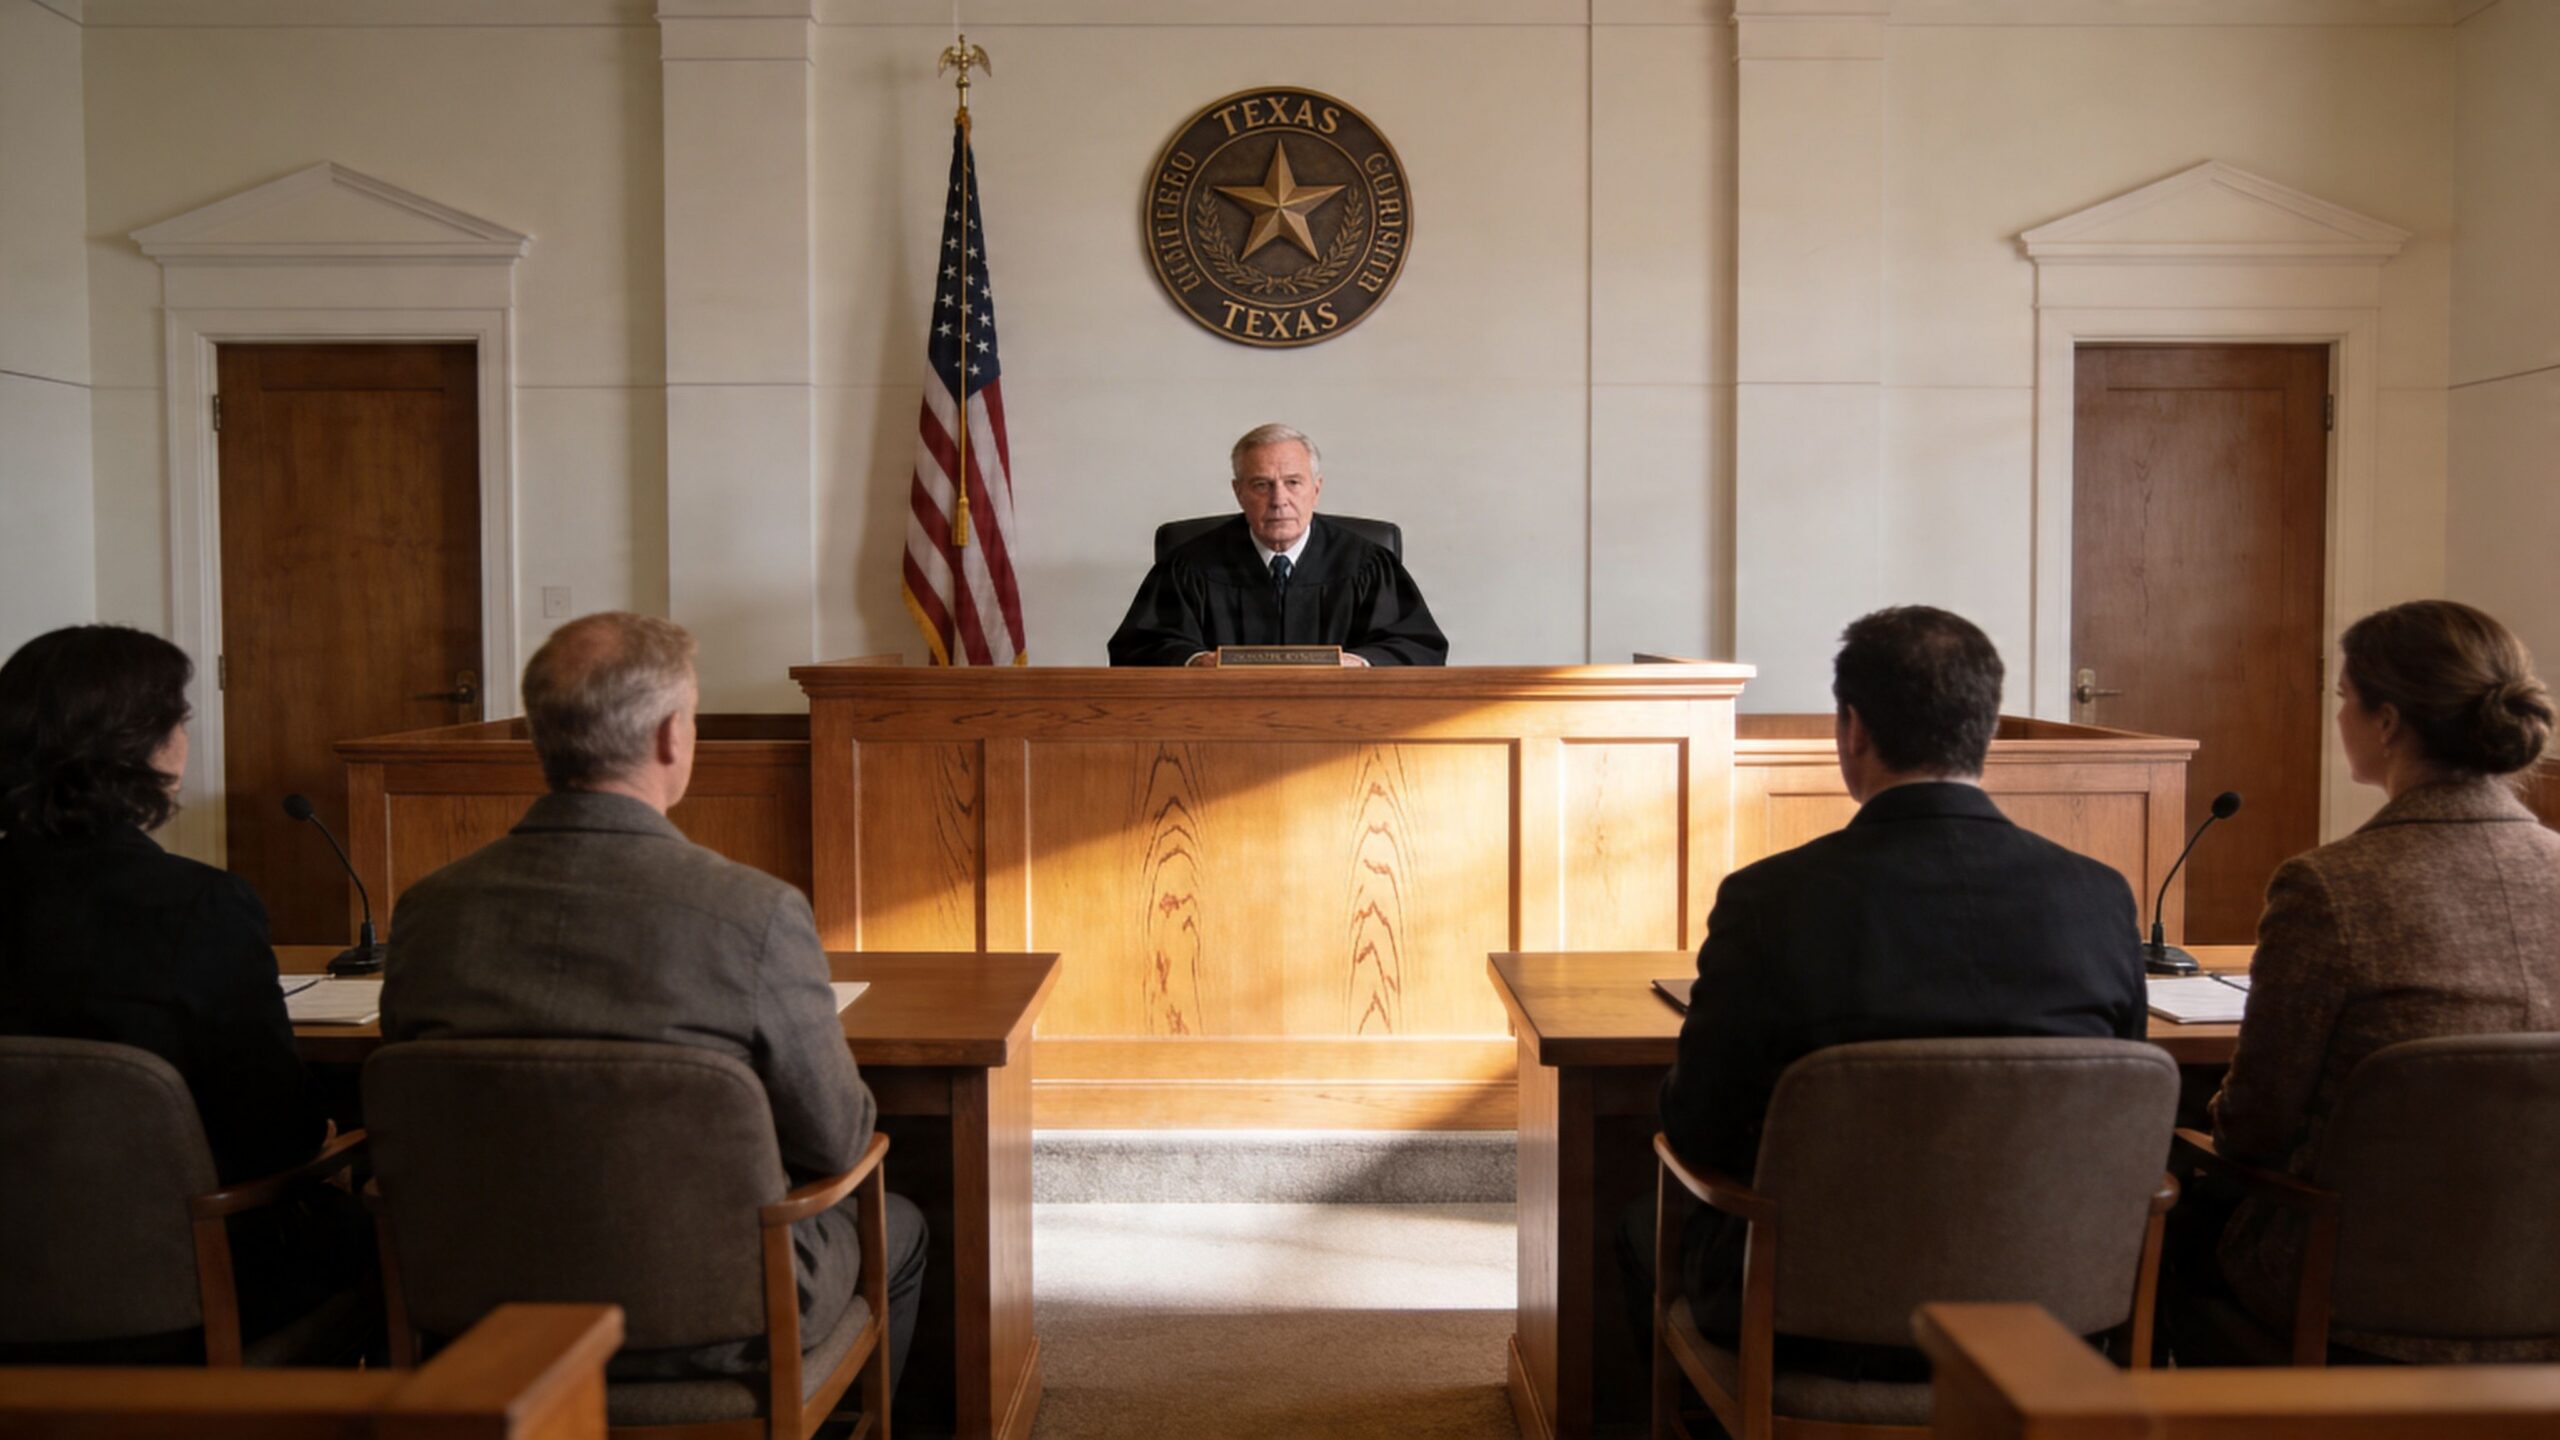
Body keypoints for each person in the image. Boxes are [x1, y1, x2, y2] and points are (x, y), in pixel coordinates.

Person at [381, 612, 927, 1389]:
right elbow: (839, 1141)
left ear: (541, 736)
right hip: (721, 1317)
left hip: (476, 1309)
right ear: (674, 735)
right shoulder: (755, 911)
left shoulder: (429, 909)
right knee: (898, 1223)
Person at [1637, 606, 2147, 1378]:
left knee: (1639, 1224)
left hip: (1808, 1318)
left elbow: (1699, 1127)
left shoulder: (1771, 899)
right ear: (1990, 729)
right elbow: (2120, 1103)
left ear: (1853, 731)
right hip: (2056, 1315)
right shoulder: (2100, 896)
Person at [2196, 599, 2560, 1362]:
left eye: (2342, 699)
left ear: (2387, 722)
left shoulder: (2330, 887)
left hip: (2351, 1296)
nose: (2340, 718)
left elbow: (2255, 1126)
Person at [0, 624, 367, 1360]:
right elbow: (271, 1136)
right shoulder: (198, 906)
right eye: (180, 718)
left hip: (15, 1280)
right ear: (146, 748)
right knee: (400, 1246)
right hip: (192, 1290)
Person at [1106, 422, 1449, 667]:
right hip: (1218, 735)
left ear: (1316, 489)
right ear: (1238, 492)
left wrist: (1360, 664)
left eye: (1293, 482)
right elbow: (1139, 647)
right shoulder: (1189, 566)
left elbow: (1418, 646)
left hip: (1343, 736)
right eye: (1261, 485)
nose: (1278, 499)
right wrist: (1196, 663)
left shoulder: (1368, 565)